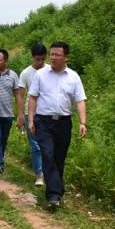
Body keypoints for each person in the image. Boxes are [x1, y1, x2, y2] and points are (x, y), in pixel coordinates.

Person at [28, 41, 87, 209]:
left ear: (65, 57)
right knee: (47, 153)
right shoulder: (41, 74)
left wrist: (83, 122)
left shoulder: (74, 77)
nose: (53, 57)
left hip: (63, 122)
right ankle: (54, 195)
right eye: (51, 54)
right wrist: (31, 120)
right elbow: (32, 97)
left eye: (57, 55)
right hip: (43, 121)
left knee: (59, 158)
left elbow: (80, 101)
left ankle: (56, 191)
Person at [16, 43, 49, 186]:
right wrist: (20, 115)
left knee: (48, 145)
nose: (40, 62)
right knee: (35, 145)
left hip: (47, 113)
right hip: (31, 113)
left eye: (42, 59)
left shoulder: (50, 70)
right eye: (37, 59)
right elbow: (20, 96)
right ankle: (39, 174)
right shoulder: (26, 73)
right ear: (32, 57)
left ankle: (50, 172)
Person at [0, 49, 21, 176]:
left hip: (8, 114)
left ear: (6, 61)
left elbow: (18, 96)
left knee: (3, 140)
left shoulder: (13, 75)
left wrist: (20, 114)